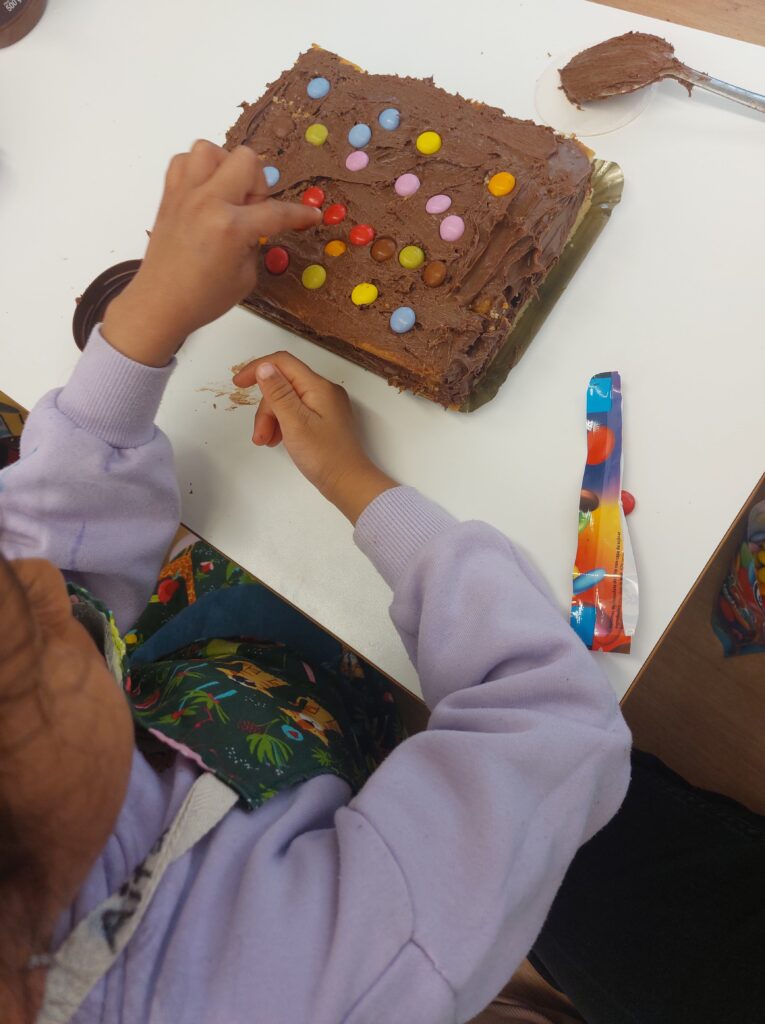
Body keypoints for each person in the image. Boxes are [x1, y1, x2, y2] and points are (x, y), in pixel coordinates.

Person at [0, 139, 631, 1024]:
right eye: (37, 635)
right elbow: (551, 719)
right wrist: (355, 484)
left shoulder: (36, 780)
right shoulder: (336, 967)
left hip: (205, 702)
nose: (35, 579)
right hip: (354, 788)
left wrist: (146, 317)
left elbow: (47, 548)